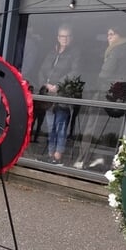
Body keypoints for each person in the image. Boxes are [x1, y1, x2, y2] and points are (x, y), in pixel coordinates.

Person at [73, 25, 126, 170]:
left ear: (121, 36)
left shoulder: (116, 51)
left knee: (92, 127)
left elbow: (105, 75)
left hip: (104, 95)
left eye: (112, 34)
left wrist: (94, 85)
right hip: (119, 98)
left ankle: (83, 159)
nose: (109, 37)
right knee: (110, 129)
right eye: (108, 34)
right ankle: (102, 158)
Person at [38, 24, 81, 165]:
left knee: (60, 126)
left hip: (63, 95)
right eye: (62, 36)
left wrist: (59, 85)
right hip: (49, 96)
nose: (65, 39)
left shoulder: (75, 52)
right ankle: (50, 154)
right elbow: (42, 70)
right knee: (51, 127)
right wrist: (45, 84)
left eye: (68, 36)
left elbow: (75, 72)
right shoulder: (52, 52)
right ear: (58, 37)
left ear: (72, 38)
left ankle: (57, 156)